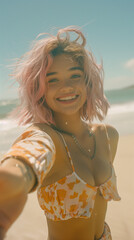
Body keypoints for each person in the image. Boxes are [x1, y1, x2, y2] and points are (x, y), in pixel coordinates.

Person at [0, 26, 121, 240]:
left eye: (75, 76)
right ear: (39, 89)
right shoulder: (46, 138)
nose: (66, 87)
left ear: (87, 82)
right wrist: (15, 175)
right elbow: (30, 154)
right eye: (52, 80)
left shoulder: (108, 137)